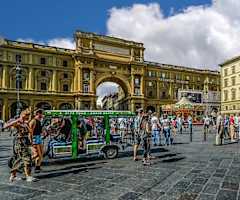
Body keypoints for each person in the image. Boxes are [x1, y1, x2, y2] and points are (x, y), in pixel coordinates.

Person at [4, 109, 36, 182]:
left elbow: (30, 131)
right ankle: (28, 176)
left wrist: (26, 124)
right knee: (27, 159)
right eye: (26, 115)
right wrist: (18, 120)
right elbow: (5, 126)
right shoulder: (17, 122)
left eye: (28, 115)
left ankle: (13, 175)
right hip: (20, 143)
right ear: (21, 115)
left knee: (19, 159)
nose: (27, 117)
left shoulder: (25, 123)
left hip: (25, 142)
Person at [29, 109, 44, 173]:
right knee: (37, 154)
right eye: (41, 114)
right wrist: (31, 141)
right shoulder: (33, 121)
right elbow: (30, 132)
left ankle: (37, 167)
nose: (42, 115)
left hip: (39, 137)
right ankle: (24, 162)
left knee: (41, 154)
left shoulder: (39, 121)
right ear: (38, 114)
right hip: (35, 138)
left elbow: (39, 130)